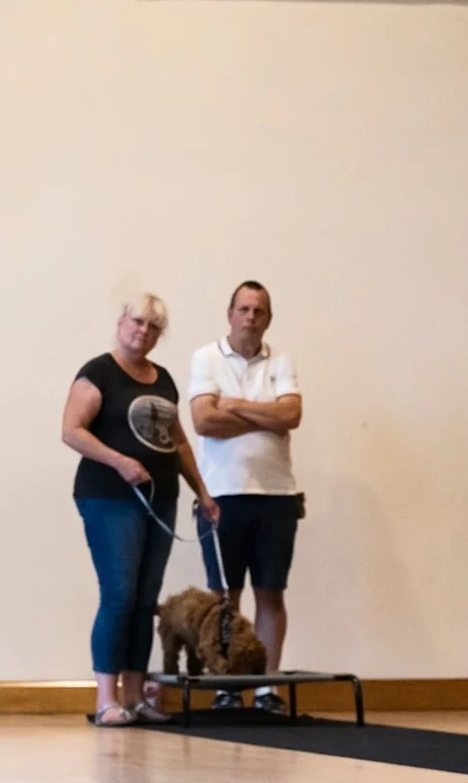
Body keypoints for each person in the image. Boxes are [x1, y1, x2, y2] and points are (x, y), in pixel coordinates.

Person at [63, 295, 221, 726]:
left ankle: (135, 697)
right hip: (108, 497)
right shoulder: (98, 373)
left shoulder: (163, 378)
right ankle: (105, 699)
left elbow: (180, 441)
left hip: (161, 498)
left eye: (154, 327)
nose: (143, 331)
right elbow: (71, 431)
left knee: (145, 598)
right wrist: (119, 460)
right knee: (119, 594)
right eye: (137, 322)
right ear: (121, 322)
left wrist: (203, 492)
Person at [187, 280, 302, 711]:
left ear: (268, 318)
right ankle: (228, 687)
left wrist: (233, 405)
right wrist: (264, 416)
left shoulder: (282, 360)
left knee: (270, 592)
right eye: (244, 309)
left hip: (276, 496)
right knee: (225, 597)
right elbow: (203, 422)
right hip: (222, 496)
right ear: (230, 313)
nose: (251, 317)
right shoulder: (206, 358)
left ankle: (268, 688)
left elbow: (291, 415)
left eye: (259, 311)